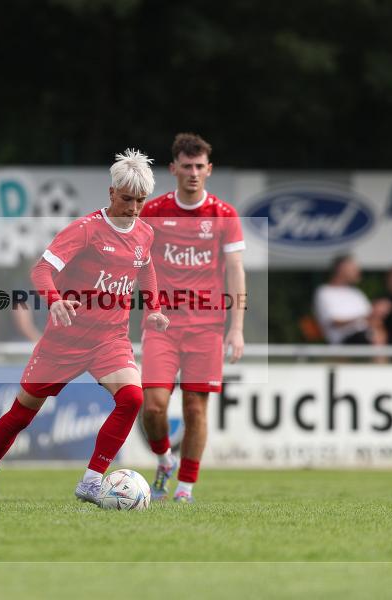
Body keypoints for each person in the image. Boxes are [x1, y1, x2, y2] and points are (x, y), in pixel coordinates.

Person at [0, 149, 169, 509]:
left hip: (110, 339)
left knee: (133, 397)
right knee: (20, 416)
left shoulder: (144, 234)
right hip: (65, 340)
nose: (134, 207)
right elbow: (41, 270)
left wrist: (153, 308)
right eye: (126, 199)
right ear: (111, 192)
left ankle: (91, 481)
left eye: (140, 200)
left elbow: (147, 270)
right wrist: (55, 300)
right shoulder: (85, 230)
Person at [138, 133, 246, 503]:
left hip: (206, 328)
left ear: (209, 169)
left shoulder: (224, 215)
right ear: (173, 169)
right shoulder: (152, 212)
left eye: (200, 166)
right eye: (187, 166)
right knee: (152, 406)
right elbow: (132, 260)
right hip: (162, 325)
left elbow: (235, 270)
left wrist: (237, 328)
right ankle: (164, 458)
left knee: (195, 408)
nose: (194, 173)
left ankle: (185, 489)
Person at [313, 255, 386, 345]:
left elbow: (372, 319)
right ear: (341, 269)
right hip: (344, 342)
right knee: (373, 338)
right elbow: (334, 322)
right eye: (353, 269)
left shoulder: (356, 293)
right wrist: (362, 319)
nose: (358, 272)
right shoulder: (324, 292)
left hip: (366, 337)